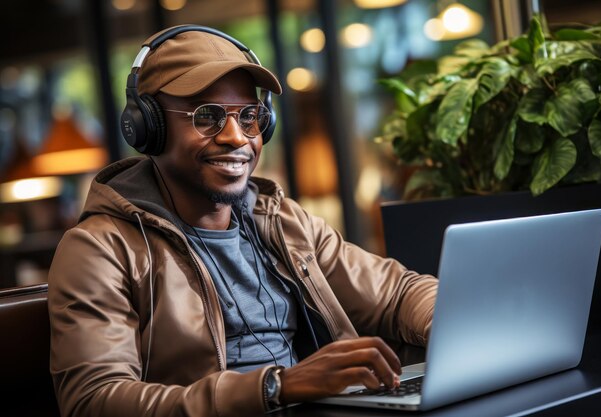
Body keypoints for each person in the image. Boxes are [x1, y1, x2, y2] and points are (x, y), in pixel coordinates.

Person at [47, 25, 438, 417]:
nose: (237, 137)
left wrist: (449, 322)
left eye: (249, 116)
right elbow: (93, 401)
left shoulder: (281, 221)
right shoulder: (99, 249)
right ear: (150, 127)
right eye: (208, 116)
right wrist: (275, 387)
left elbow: (397, 292)